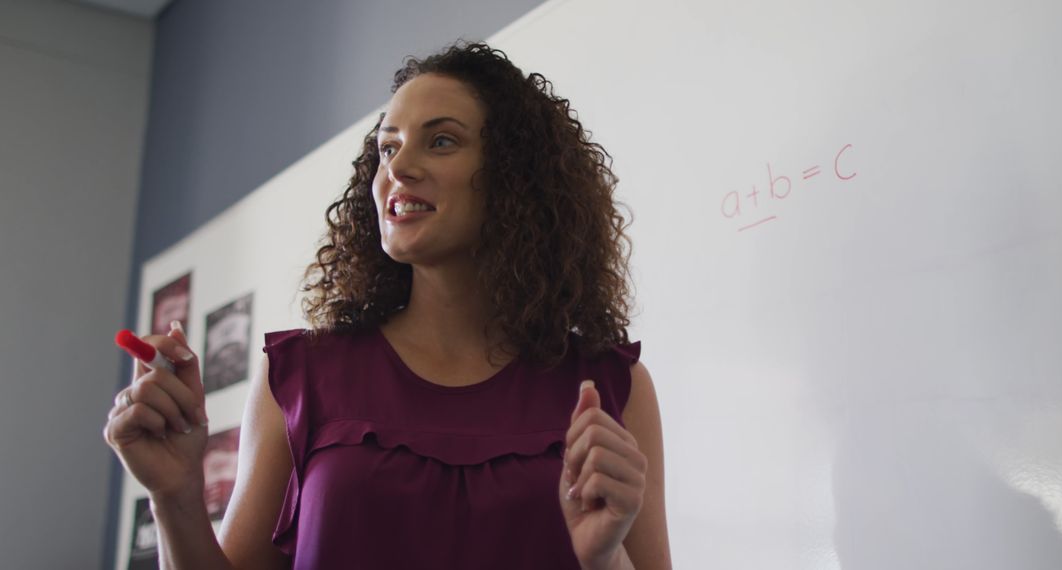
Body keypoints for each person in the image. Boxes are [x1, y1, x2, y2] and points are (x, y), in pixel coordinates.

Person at [104, 41, 671, 570]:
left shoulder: (611, 387)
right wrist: (174, 494)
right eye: (387, 147)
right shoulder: (301, 375)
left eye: (441, 140)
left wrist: (604, 562)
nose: (396, 169)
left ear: (514, 176)